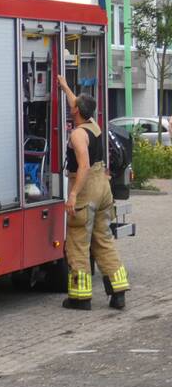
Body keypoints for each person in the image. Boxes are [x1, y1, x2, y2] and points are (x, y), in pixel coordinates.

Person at [57, 75, 130, 310]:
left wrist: (73, 194)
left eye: (74, 104)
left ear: (76, 110)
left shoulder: (77, 135)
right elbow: (76, 104)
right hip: (103, 189)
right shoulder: (94, 125)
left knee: (78, 243)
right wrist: (66, 86)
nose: (72, 105)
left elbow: (84, 166)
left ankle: (80, 298)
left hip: (86, 189)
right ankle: (118, 293)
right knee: (103, 240)